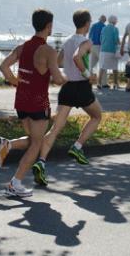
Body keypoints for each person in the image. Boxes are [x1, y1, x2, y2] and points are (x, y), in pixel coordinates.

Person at [0, 9, 67, 198]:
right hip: (38, 102)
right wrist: (73, 79)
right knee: (36, 144)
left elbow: (3, 67)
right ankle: (15, 183)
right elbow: (57, 79)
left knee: (34, 139)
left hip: (21, 101)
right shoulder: (48, 51)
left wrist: (17, 82)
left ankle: (6, 145)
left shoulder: (22, 47)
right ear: (49, 26)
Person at [30, 10, 102, 187]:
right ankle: (77, 147)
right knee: (97, 116)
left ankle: (41, 162)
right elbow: (78, 57)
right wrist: (88, 75)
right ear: (87, 23)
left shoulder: (69, 40)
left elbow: (60, 62)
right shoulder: (86, 41)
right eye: (90, 21)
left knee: (55, 129)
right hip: (82, 87)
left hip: (68, 88)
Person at [99, 15, 120, 89]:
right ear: (114, 21)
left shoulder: (103, 28)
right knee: (115, 68)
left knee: (102, 67)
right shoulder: (115, 29)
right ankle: (115, 84)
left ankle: (99, 83)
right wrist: (120, 45)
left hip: (103, 50)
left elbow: (101, 39)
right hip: (112, 50)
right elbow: (116, 40)